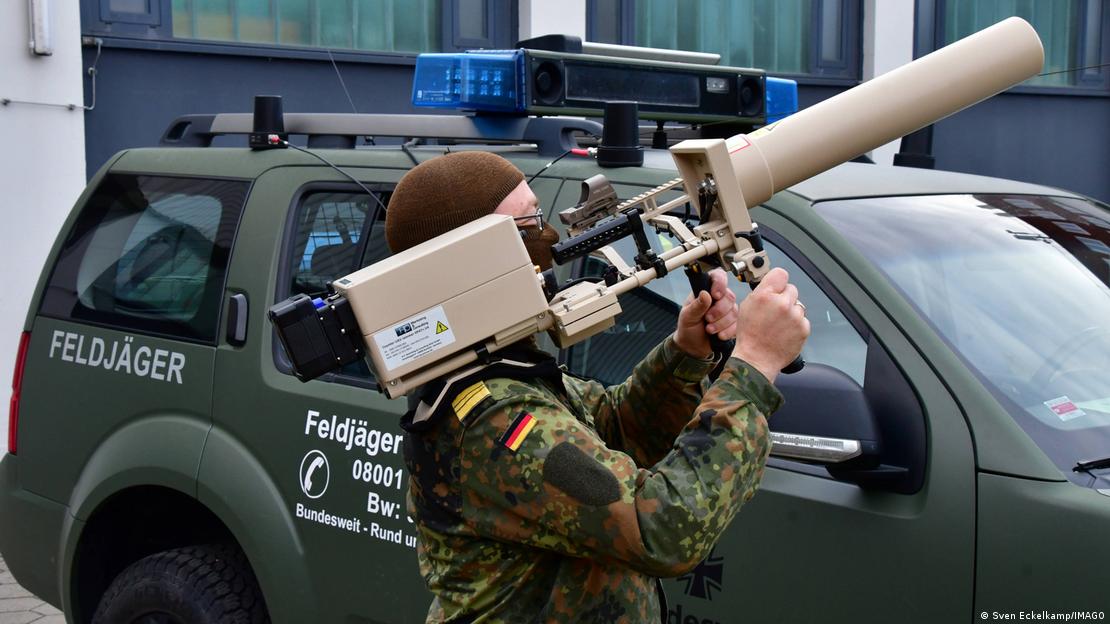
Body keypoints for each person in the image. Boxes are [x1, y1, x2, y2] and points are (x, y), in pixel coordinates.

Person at [385, 151, 809, 623]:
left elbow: (611, 427)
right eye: (527, 224)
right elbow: (660, 528)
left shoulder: (503, 373)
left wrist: (683, 357)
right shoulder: (494, 419)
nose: (546, 237)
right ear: (472, 263)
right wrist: (753, 366)